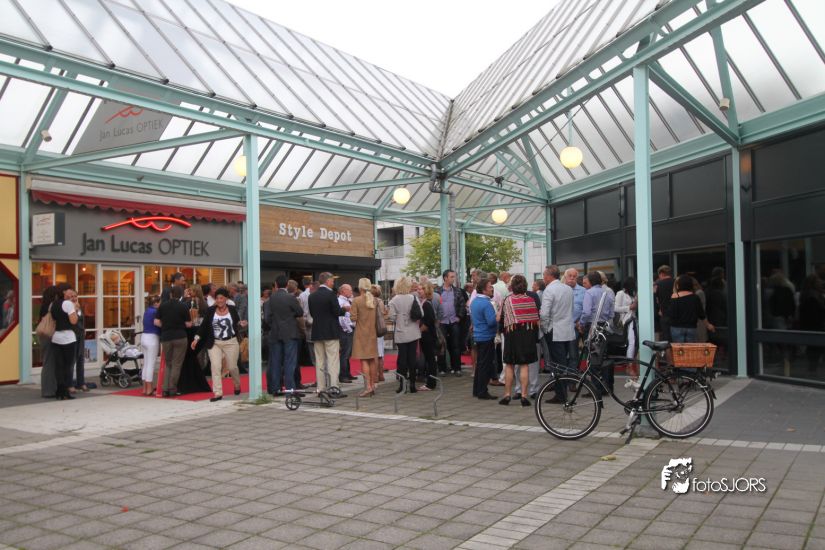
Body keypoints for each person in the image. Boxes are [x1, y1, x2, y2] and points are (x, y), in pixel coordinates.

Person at [193, 288, 243, 402]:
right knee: (215, 367)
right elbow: (204, 326)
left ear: (226, 299)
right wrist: (196, 338)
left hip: (231, 342)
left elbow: (237, 323)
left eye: (221, 298)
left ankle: (237, 384)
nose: (219, 300)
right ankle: (218, 393)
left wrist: (241, 323)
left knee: (232, 367)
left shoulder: (232, 309)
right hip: (214, 342)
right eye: (217, 298)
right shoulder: (211, 310)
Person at [500, 275, 539, 407]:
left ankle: (507, 395)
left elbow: (503, 320)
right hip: (527, 335)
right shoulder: (530, 300)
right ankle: (524, 395)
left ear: (512, 286)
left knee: (509, 365)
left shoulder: (508, 300)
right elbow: (535, 320)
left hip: (511, 334)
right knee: (524, 365)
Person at [541, 266, 575, 403]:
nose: (543, 277)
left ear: (550, 276)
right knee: (563, 363)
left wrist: (545, 328)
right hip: (567, 330)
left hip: (554, 330)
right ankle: (562, 393)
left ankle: (561, 395)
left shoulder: (549, 290)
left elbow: (544, 313)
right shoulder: (568, 289)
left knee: (557, 364)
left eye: (544, 274)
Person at [266, 276, 303, 396]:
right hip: (290, 332)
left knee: (275, 362)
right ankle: (290, 389)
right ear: (287, 284)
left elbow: (267, 318)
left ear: (276, 284)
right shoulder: (290, 298)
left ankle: (275, 388)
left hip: (275, 333)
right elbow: (300, 312)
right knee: (289, 362)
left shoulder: (270, 299)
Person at [308, 272, 346, 393]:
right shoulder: (331, 294)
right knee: (332, 360)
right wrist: (344, 309)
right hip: (331, 331)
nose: (333, 283)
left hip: (317, 331)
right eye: (332, 281)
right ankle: (334, 387)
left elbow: (312, 314)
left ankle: (321, 388)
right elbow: (337, 312)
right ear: (328, 281)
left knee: (319, 361)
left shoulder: (312, 296)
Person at [156, 285, 192, 397]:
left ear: (171, 294)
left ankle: (165, 388)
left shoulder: (163, 306)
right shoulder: (183, 306)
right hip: (180, 336)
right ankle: (172, 388)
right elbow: (188, 324)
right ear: (181, 294)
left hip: (166, 337)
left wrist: (165, 325)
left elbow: (156, 322)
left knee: (168, 363)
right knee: (177, 364)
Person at [388, 276, 421, 394]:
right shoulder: (414, 298)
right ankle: (412, 384)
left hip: (401, 332)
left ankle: (402, 385)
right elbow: (420, 313)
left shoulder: (393, 300)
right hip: (413, 331)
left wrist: (400, 316)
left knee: (402, 359)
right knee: (412, 358)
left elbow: (391, 317)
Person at [350, 278, 379, 397]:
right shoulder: (374, 300)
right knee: (372, 359)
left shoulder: (356, 300)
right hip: (373, 333)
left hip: (361, 333)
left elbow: (353, 318)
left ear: (360, 287)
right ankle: (373, 385)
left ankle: (368, 387)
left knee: (364, 360)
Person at [434, 269, 466, 377]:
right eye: (451, 277)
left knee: (456, 345)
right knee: (441, 346)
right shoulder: (437, 291)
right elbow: (434, 305)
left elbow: (462, 305)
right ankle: (442, 369)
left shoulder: (457, 291)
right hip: (441, 322)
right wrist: (436, 319)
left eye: (454, 276)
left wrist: (459, 317)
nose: (453, 279)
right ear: (445, 278)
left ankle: (457, 368)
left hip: (454, 321)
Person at [470, 277, 497, 400]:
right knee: (485, 365)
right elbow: (491, 322)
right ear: (484, 290)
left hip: (478, 335)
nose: (492, 289)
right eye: (490, 287)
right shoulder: (486, 303)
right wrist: (497, 318)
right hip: (486, 336)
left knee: (480, 364)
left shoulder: (475, 301)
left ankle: (477, 389)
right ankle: (482, 391)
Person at [50, 284, 78, 400]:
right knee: (68, 365)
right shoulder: (68, 304)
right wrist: (75, 309)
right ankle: (65, 391)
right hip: (68, 337)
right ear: (63, 292)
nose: (71, 293)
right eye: (69, 290)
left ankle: (59, 391)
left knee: (59, 366)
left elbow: (54, 318)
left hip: (56, 336)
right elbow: (73, 321)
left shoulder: (54, 304)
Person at [668, 275, 714, 343]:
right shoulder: (695, 297)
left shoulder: (674, 297)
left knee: (679, 349)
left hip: (677, 327)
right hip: (691, 328)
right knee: (690, 348)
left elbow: (671, 314)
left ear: (679, 285)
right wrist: (708, 325)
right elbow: (701, 314)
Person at [614, 278, 639, 388]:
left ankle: (630, 365)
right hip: (626, 321)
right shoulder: (620, 294)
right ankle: (629, 366)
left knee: (634, 343)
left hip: (634, 320)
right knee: (631, 343)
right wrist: (629, 307)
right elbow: (615, 308)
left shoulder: (634, 294)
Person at [38, 286, 61, 398]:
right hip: (50, 335)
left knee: (47, 362)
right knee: (50, 363)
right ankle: (49, 390)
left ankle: (48, 389)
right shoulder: (52, 306)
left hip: (43, 335)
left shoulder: (43, 305)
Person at [418, 282, 438, 391]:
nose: (419, 291)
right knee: (429, 359)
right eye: (419, 289)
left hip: (428, 336)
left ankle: (431, 383)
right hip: (427, 336)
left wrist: (419, 331)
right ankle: (430, 382)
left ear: (426, 291)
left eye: (421, 289)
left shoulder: (426, 304)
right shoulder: (425, 302)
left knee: (430, 360)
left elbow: (428, 321)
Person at [141, 295, 161, 396]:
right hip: (152, 338)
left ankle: (145, 388)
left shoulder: (147, 311)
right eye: (160, 302)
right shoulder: (155, 312)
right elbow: (158, 323)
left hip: (144, 336)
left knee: (146, 363)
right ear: (156, 303)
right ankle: (149, 389)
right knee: (151, 364)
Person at [338, 284, 355, 384]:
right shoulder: (340, 301)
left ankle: (347, 373)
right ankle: (343, 375)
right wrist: (348, 329)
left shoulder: (347, 300)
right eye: (349, 290)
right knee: (345, 353)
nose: (351, 292)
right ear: (343, 291)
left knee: (348, 353)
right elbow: (341, 318)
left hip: (348, 329)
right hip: (345, 330)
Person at [371, 285, 387, 384]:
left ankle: (375, 376)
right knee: (380, 354)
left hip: (373, 328)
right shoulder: (381, 301)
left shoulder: (371, 301)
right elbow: (384, 314)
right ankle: (381, 375)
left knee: (374, 354)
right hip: (380, 329)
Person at [654, 265, 675, 341]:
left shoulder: (658, 285)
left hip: (664, 314)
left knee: (666, 339)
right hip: (676, 315)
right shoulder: (676, 283)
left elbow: (656, 300)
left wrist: (659, 310)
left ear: (661, 273)